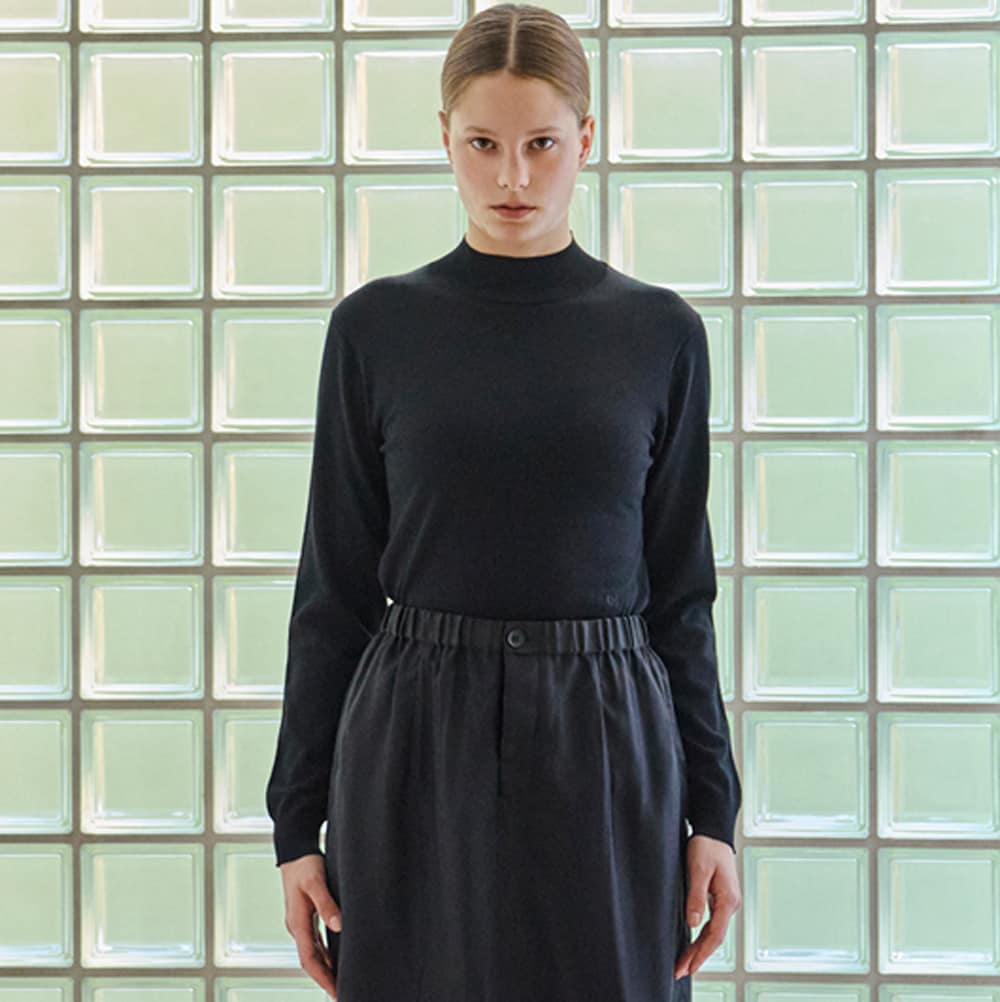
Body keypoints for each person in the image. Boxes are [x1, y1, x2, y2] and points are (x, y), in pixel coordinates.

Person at [265, 4, 742, 1000]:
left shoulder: (660, 335)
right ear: (445, 137)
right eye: (483, 144)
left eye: (541, 145)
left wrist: (715, 813)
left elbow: (680, 595)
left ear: (586, 141)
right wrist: (294, 824)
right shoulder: (375, 330)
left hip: (606, 735)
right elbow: (334, 590)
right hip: (416, 737)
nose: (513, 177)